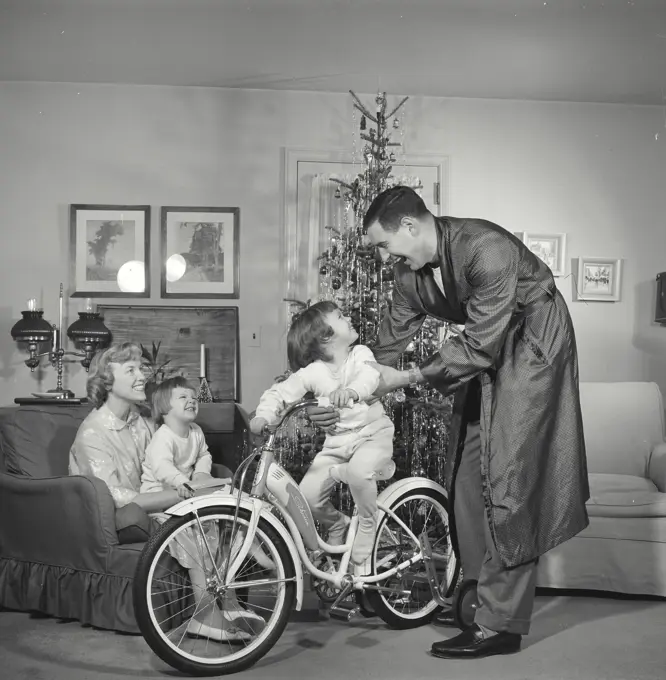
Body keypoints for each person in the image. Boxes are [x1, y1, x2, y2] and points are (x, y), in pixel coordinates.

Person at [308, 186, 589, 659]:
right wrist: (342, 393)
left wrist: (410, 376)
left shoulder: (487, 248)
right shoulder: (407, 272)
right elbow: (385, 349)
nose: (381, 255)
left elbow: (479, 343)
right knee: (465, 468)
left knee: (510, 477)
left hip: (533, 346)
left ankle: (500, 623)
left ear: (411, 227)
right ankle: (476, 596)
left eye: (383, 243)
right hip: (487, 350)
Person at [69, 342, 262, 643]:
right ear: (107, 380)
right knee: (196, 522)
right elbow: (110, 497)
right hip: (117, 514)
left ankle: (229, 603)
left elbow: (176, 452)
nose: (142, 375)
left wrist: (198, 478)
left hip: (155, 500)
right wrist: (183, 495)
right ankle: (204, 616)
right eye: (130, 369)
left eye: (141, 368)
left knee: (212, 515)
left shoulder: (142, 422)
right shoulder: (92, 433)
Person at [250, 301, 395, 565]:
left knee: (360, 472)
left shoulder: (360, 354)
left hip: (373, 433)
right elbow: (279, 393)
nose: (348, 316)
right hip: (337, 444)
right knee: (307, 497)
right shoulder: (313, 372)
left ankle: (367, 525)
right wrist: (264, 415)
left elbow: (369, 377)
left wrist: (352, 391)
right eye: (340, 316)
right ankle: (338, 524)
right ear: (326, 337)